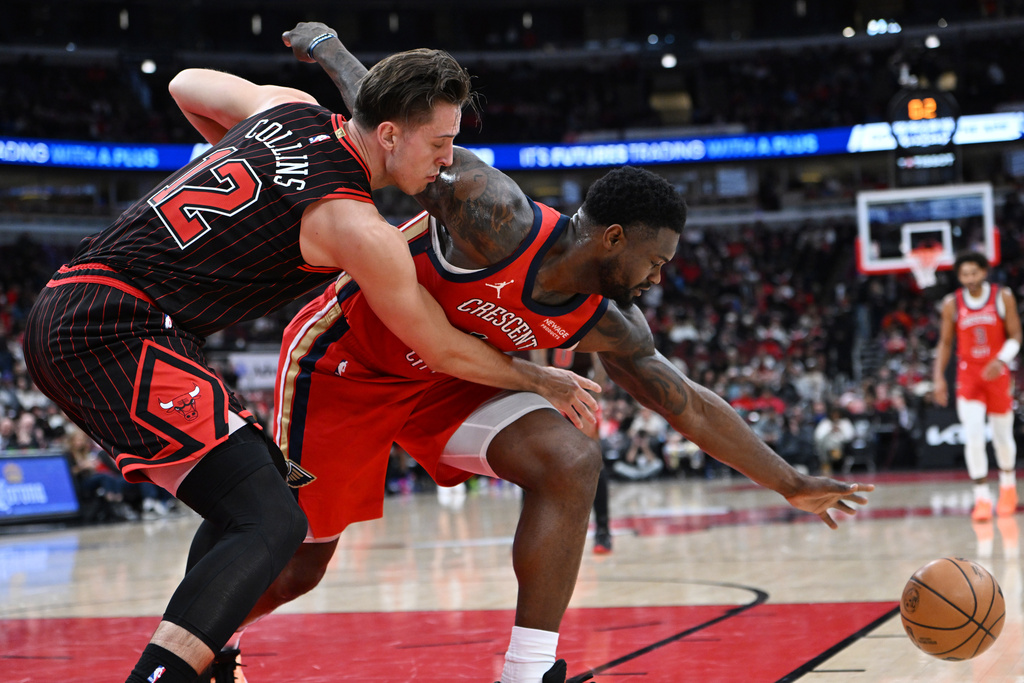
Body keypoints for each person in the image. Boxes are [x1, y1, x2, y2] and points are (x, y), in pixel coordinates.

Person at [213, 23, 873, 683]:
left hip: (449, 381)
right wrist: (329, 47)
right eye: (656, 261)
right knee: (303, 566)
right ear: (614, 238)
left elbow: (688, 404)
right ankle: (208, 637)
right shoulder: (495, 214)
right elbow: (394, 121)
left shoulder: (607, 320)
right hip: (348, 364)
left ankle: (526, 671)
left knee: (571, 458)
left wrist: (788, 480)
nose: (657, 278)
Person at [21, 48, 598, 683]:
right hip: (112, 328)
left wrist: (230, 153)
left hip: (88, 306)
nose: (447, 160)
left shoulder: (286, 110)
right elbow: (439, 348)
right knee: (270, 520)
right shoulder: (356, 225)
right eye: (440, 142)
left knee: (260, 489)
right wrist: (535, 375)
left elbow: (186, 83)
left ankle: (210, 659)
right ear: (387, 133)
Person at [933, 251, 1022, 521]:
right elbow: (946, 343)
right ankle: (981, 497)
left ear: (984, 272)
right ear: (959, 277)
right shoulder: (952, 303)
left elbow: (1016, 335)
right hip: (968, 375)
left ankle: (1008, 487)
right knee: (973, 435)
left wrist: (1001, 359)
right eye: (964, 274)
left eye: (974, 272)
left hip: (997, 372)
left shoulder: (1001, 296)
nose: (969, 278)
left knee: (1002, 435)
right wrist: (938, 376)